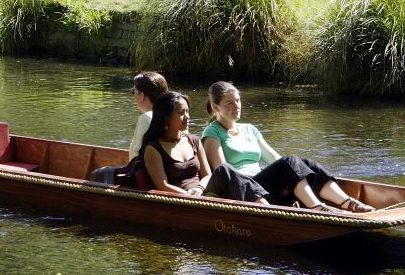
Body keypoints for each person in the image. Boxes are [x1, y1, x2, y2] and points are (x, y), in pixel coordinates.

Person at [199, 82, 372, 211]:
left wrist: (296, 171)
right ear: (216, 107)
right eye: (230, 103)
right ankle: (316, 208)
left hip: (263, 186)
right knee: (291, 161)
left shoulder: (250, 129)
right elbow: (223, 172)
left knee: (305, 163)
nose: (237, 106)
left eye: (238, 101)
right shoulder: (212, 132)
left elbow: (275, 160)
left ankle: (348, 202)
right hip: (243, 190)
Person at [128, 90, 211, 196]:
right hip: (181, 201)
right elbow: (163, 185)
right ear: (166, 117)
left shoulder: (194, 140)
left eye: (187, 111)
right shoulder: (153, 149)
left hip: (205, 194)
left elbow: (207, 175)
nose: (187, 117)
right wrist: (190, 196)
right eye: (181, 113)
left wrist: (199, 189)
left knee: (225, 171)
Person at [127, 71, 169, 157]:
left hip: (144, 169)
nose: (133, 95)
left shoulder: (146, 118)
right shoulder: (175, 116)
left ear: (142, 95)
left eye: (133, 91)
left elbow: (137, 155)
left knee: (100, 171)